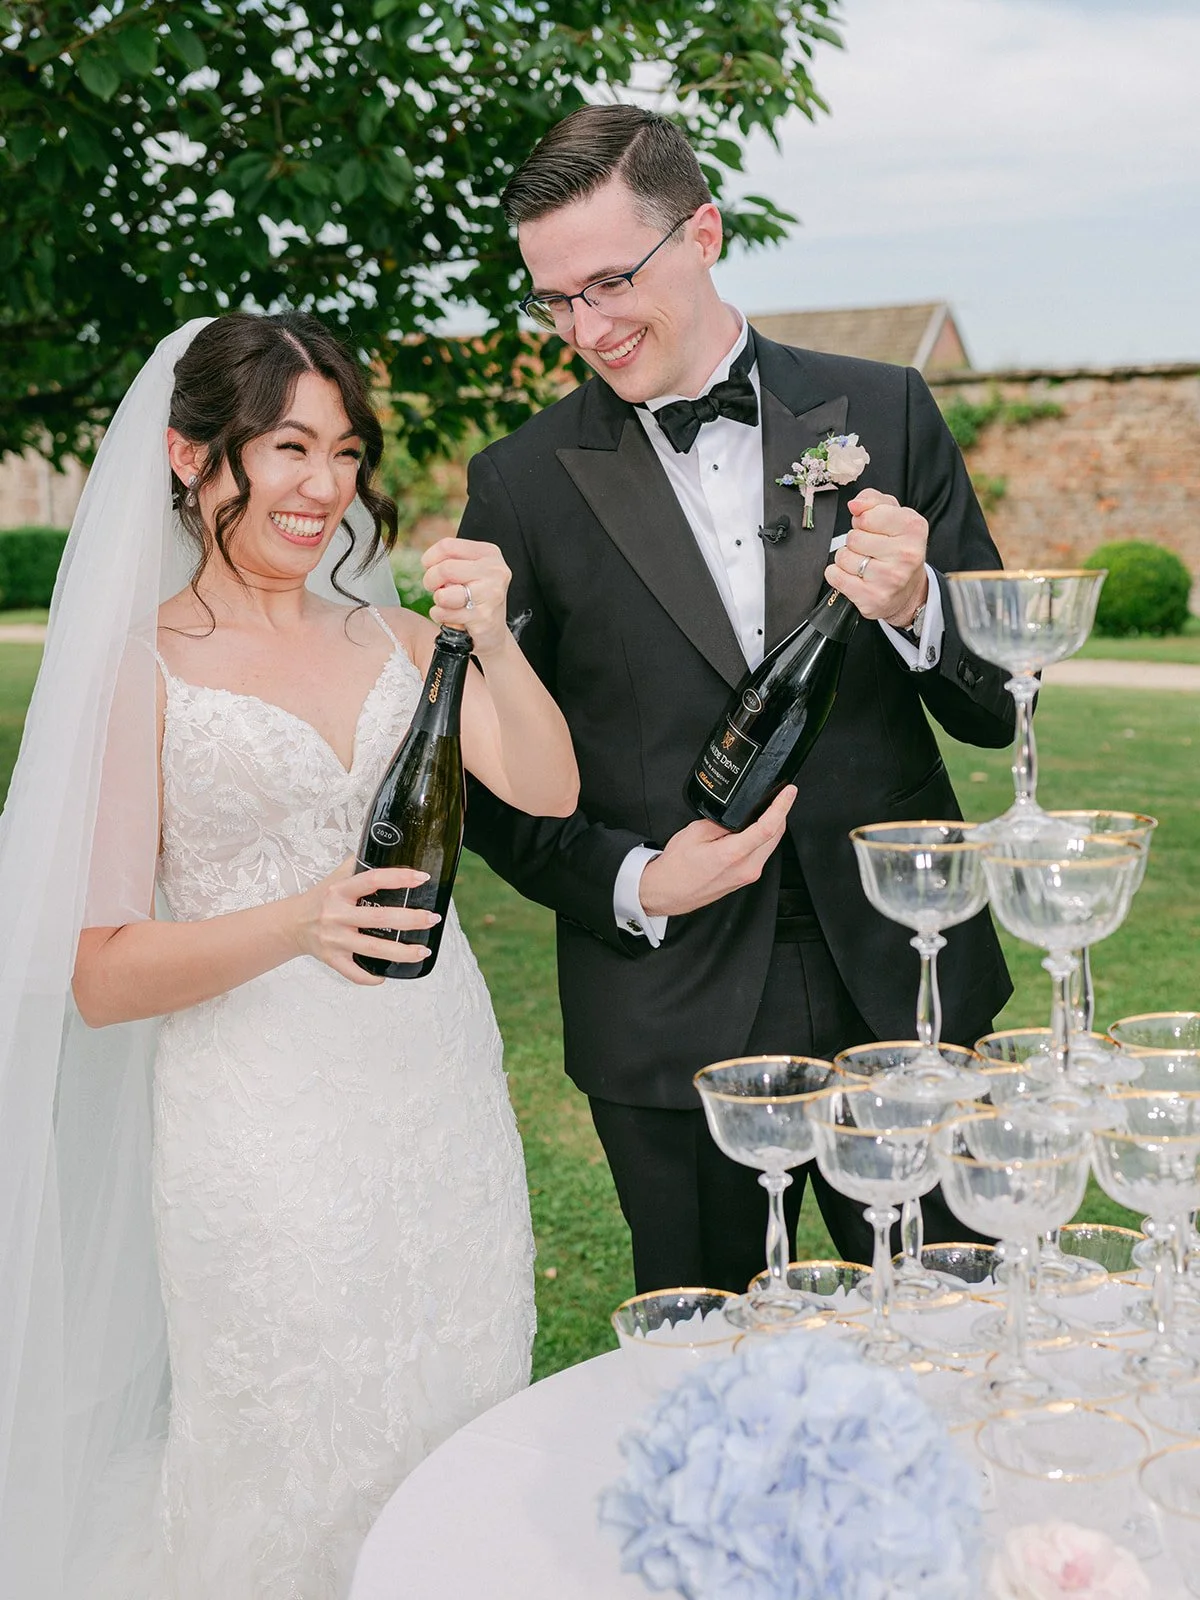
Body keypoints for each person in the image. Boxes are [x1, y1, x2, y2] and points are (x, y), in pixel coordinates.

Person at [0, 311, 578, 1599]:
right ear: (192, 455)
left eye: (347, 451)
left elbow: (543, 783)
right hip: (258, 1127)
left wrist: (498, 637)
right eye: (289, 448)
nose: (327, 487)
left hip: (433, 1096)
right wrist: (294, 922)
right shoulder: (138, 668)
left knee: (457, 1396)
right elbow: (96, 975)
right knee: (291, 1445)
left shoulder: (392, 638)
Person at [460, 104, 1015, 1296]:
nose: (586, 329)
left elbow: (1001, 702)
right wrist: (633, 882)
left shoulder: (887, 408)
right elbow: (490, 772)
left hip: (908, 972)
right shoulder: (514, 484)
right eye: (554, 300)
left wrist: (920, 606)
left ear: (703, 230)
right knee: (706, 1376)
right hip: (667, 1008)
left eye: (609, 282)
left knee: (962, 1339)